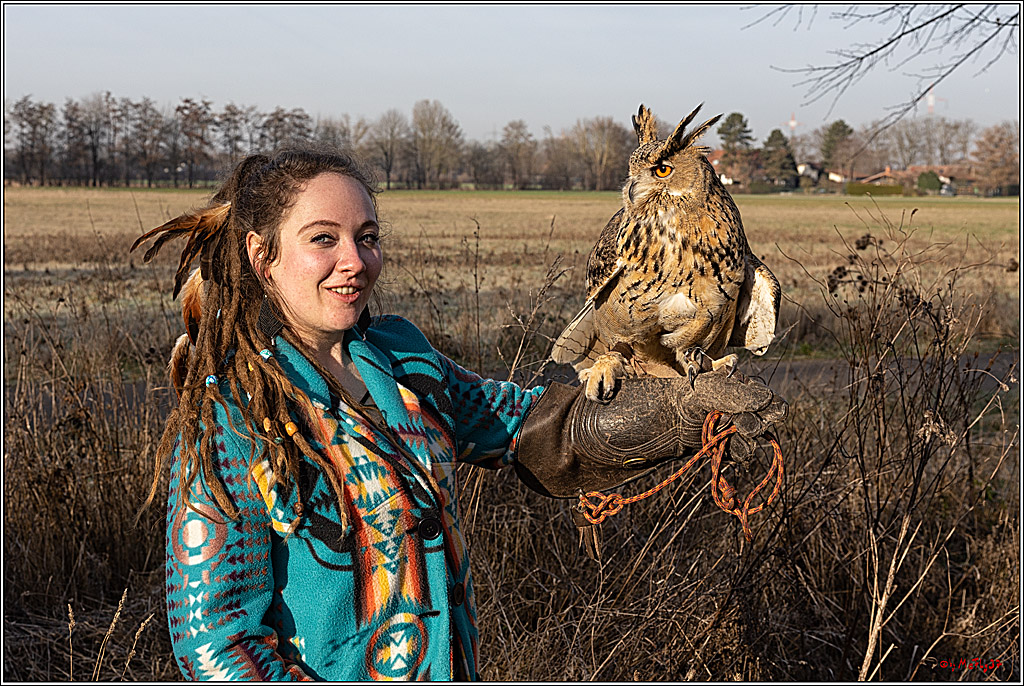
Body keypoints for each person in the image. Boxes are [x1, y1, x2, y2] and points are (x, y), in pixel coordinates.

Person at [134, 147, 786, 681]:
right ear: (261, 255)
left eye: (367, 237)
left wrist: (682, 412)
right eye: (323, 239)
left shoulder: (404, 360)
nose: (354, 261)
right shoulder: (233, 414)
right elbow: (216, 644)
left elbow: (532, 429)